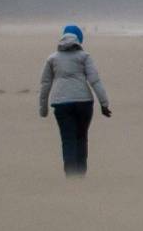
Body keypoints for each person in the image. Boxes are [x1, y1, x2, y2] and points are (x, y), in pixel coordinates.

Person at [39, 25, 112, 178]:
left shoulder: (52, 58)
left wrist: (43, 108)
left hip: (61, 104)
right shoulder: (84, 57)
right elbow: (95, 81)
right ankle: (81, 173)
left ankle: (70, 175)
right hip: (84, 103)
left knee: (67, 139)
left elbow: (45, 83)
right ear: (79, 40)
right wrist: (104, 104)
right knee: (81, 137)